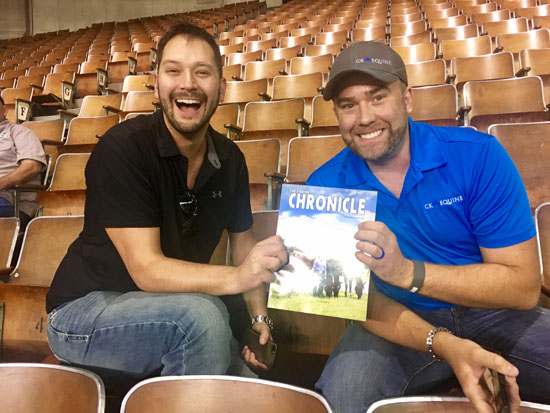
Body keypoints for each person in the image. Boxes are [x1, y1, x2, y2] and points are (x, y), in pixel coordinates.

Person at [307, 41, 550, 413]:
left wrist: (408, 272)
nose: (365, 117)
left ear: (407, 99)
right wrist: (445, 344)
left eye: (377, 97)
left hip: (494, 311)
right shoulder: (324, 188)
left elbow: (522, 287)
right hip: (399, 320)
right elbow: (359, 304)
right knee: (344, 393)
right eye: (348, 105)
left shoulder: (478, 154)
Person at [45, 22, 287, 389]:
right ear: (157, 84)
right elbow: (147, 270)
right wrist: (238, 278)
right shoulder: (123, 150)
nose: (188, 83)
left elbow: (244, 247)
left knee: (255, 389)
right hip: (84, 312)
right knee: (203, 316)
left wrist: (259, 318)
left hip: (176, 308)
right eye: (174, 71)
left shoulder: (230, 159)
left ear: (221, 88)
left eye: (202, 72)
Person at [0, 96, 46, 228]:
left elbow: (32, 166)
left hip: (13, 202)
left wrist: (1, 183)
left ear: (4, 110)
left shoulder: (19, 132)